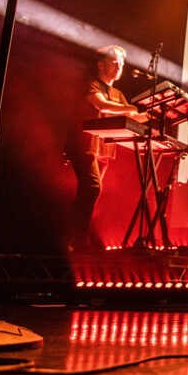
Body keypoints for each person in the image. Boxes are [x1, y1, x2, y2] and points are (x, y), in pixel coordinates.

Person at [64, 45, 148, 252]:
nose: (119, 66)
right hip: (83, 144)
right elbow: (101, 105)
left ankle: (79, 237)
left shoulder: (118, 93)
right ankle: (76, 237)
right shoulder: (91, 83)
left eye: (121, 63)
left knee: (92, 193)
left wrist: (155, 113)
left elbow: (133, 116)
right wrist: (131, 109)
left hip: (104, 150)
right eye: (114, 62)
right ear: (101, 65)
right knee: (93, 188)